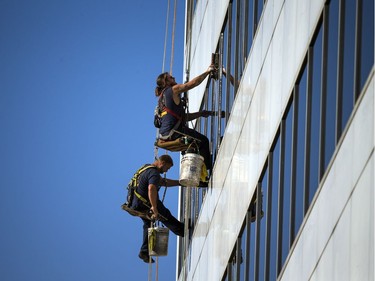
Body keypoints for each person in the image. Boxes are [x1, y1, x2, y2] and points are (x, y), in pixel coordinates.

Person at [154, 66, 216, 173]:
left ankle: (196, 172)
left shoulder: (161, 100)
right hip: (174, 132)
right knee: (203, 141)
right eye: (170, 78)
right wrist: (207, 72)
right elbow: (192, 84)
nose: (173, 77)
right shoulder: (172, 90)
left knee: (192, 146)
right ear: (166, 82)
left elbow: (182, 118)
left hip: (166, 136)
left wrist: (201, 113)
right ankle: (207, 174)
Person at [128, 154, 184, 263]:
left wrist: (179, 183)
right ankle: (183, 231)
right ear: (162, 163)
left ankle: (144, 251)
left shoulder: (147, 168)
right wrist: (154, 207)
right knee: (165, 215)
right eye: (167, 167)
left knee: (148, 224)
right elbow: (152, 188)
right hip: (145, 202)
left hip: (136, 204)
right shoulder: (153, 173)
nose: (166, 171)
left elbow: (163, 182)